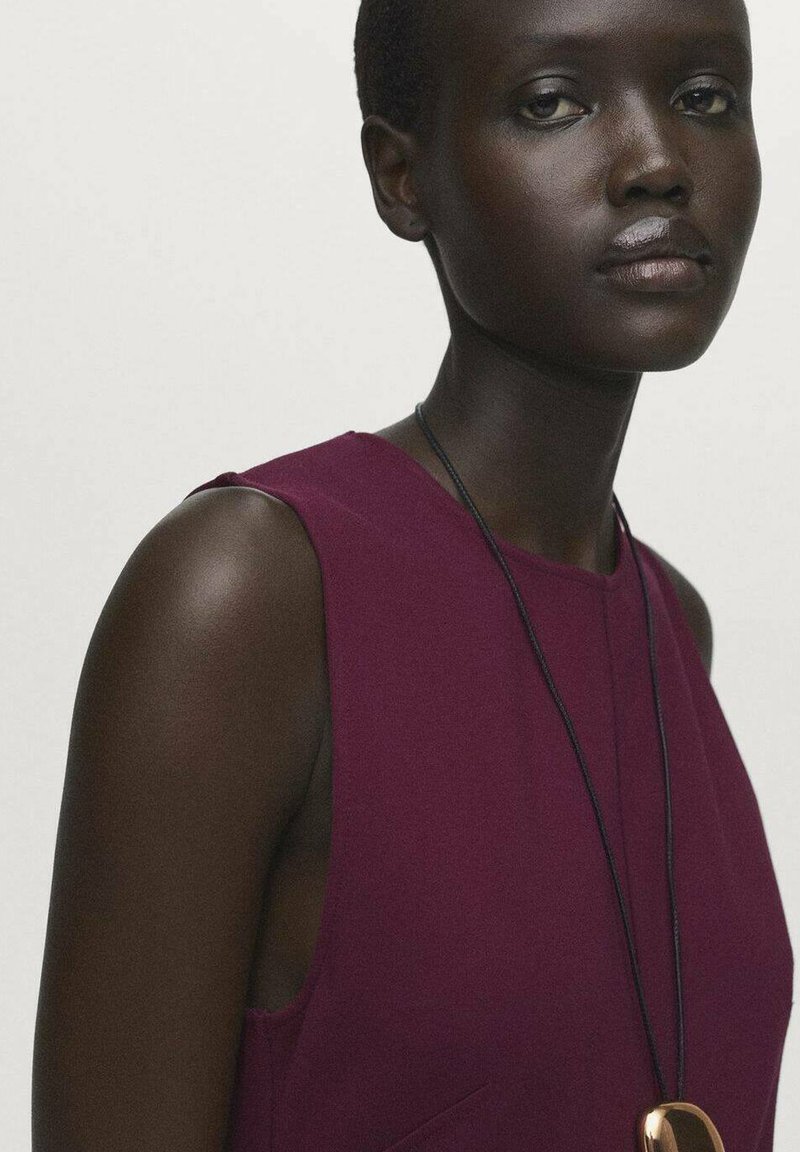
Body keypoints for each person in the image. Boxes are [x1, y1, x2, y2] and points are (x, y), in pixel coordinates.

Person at [33, 0, 793, 1148]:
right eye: (553, 103)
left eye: (702, 97)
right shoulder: (251, 595)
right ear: (401, 177)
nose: (654, 162)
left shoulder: (668, 627)